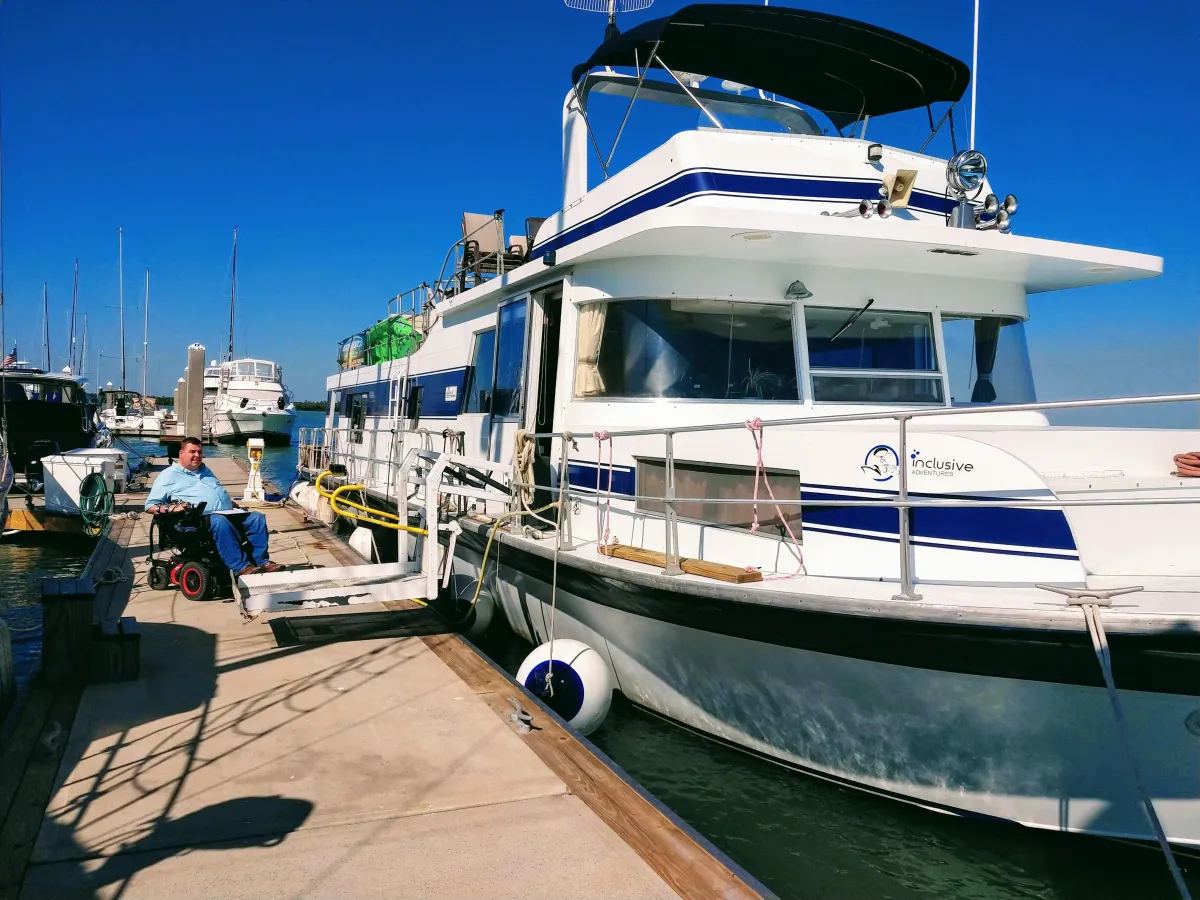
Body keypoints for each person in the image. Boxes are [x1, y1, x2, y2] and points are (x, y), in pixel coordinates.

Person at [145, 436, 282, 577]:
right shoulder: (168, 475)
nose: (197, 455)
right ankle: (241, 567)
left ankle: (262, 562)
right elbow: (150, 506)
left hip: (227, 512)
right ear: (181, 453)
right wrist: (173, 508)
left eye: (200, 452)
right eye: (192, 452)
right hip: (195, 520)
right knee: (219, 521)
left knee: (256, 518)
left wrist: (227, 503)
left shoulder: (204, 470)